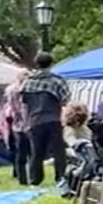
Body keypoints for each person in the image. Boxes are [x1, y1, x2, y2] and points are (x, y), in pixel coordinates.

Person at [20, 53, 70, 186]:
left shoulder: (28, 81)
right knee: (58, 151)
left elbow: (24, 103)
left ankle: (35, 179)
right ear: (51, 63)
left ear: (36, 64)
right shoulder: (57, 80)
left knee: (36, 151)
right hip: (53, 119)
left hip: (34, 120)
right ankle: (61, 177)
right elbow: (65, 100)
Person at [1, 71, 31, 184]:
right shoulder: (14, 91)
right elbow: (13, 108)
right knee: (22, 153)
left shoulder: (13, 90)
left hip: (20, 124)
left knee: (23, 153)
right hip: (20, 125)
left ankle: (24, 178)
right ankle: (23, 178)